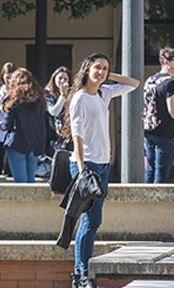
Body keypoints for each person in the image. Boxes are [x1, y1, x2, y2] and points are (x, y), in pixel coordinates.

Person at [63, 52, 141, 288]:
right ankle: (82, 274)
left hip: (103, 165)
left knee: (93, 221)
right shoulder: (80, 98)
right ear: (87, 69)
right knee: (90, 220)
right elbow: (77, 136)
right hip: (87, 166)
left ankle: (81, 274)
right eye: (97, 67)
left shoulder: (103, 93)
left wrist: (108, 76)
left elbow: (134, 84)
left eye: (105, 68)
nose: (101, 72)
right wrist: (82, 170)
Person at [142, 46, 174, 183]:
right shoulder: (171, 83)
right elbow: (173, 112)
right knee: (162, 172)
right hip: (166, 132)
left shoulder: (150, 80)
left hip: (149, 130)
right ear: (166, 62)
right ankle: (157, 197)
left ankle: (146, 196)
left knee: (150, 169)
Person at [2, 68, 52, 183]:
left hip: (17, 144)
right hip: (35, 144)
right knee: (31, 181)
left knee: (21, 182)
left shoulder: (13, 99)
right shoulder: (40, 100)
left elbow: (6, 125)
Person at [46, 66, 71, 150]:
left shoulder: (72, 95)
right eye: (60, 78)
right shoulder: (48, 95)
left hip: (68, 137)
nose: (63, 81)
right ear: (54, 79)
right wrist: (63, 95)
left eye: (65, 79)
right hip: (53, 138)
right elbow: (54, 112)